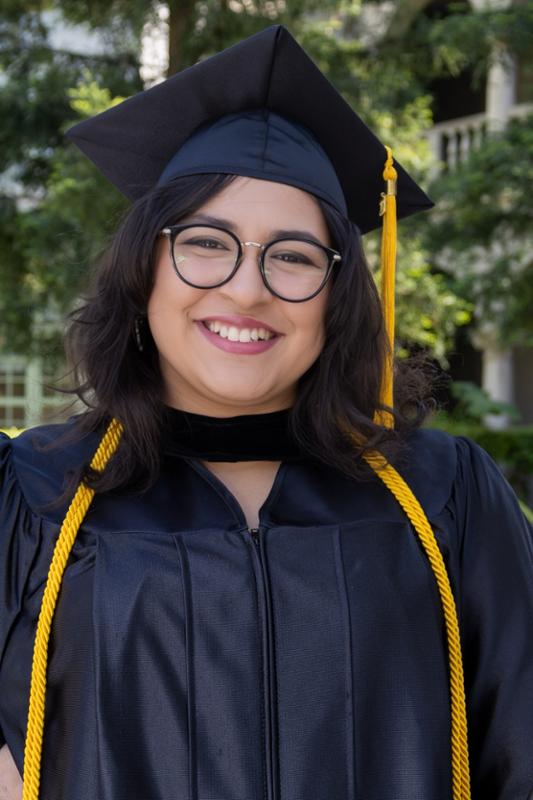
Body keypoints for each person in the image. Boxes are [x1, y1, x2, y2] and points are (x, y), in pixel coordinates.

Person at [0, 24, 532, 800]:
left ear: (336, 296)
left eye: (292, 256)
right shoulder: (32, 493)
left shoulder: (445, 496)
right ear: (146, 269)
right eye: (206, 243)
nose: (247, 290)